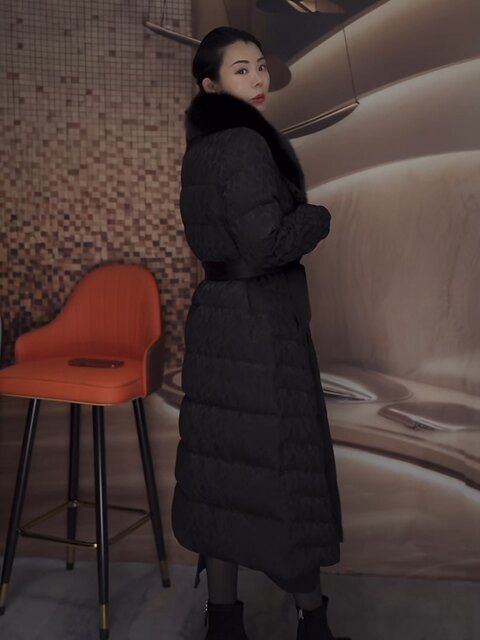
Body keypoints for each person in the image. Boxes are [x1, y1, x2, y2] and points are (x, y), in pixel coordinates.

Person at [172, 26, 347, 640]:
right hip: (260, 324)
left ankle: (223, 623)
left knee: (223, 476)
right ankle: (313, 623)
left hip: (216, 318)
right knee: (281, 473)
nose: (258, 78)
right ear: (210, 84)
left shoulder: (201, 150)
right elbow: (268, 245)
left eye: (260, 66)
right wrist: (316, 217)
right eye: (241, 70)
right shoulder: (247, 144)